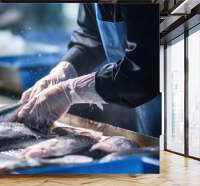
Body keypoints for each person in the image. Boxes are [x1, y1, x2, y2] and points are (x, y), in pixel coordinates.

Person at [18, 3, 159, 130]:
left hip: (174, 111)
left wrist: (71, 90)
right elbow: (91, 35)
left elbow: (145, 68)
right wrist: (65, 69)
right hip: (139, 110)